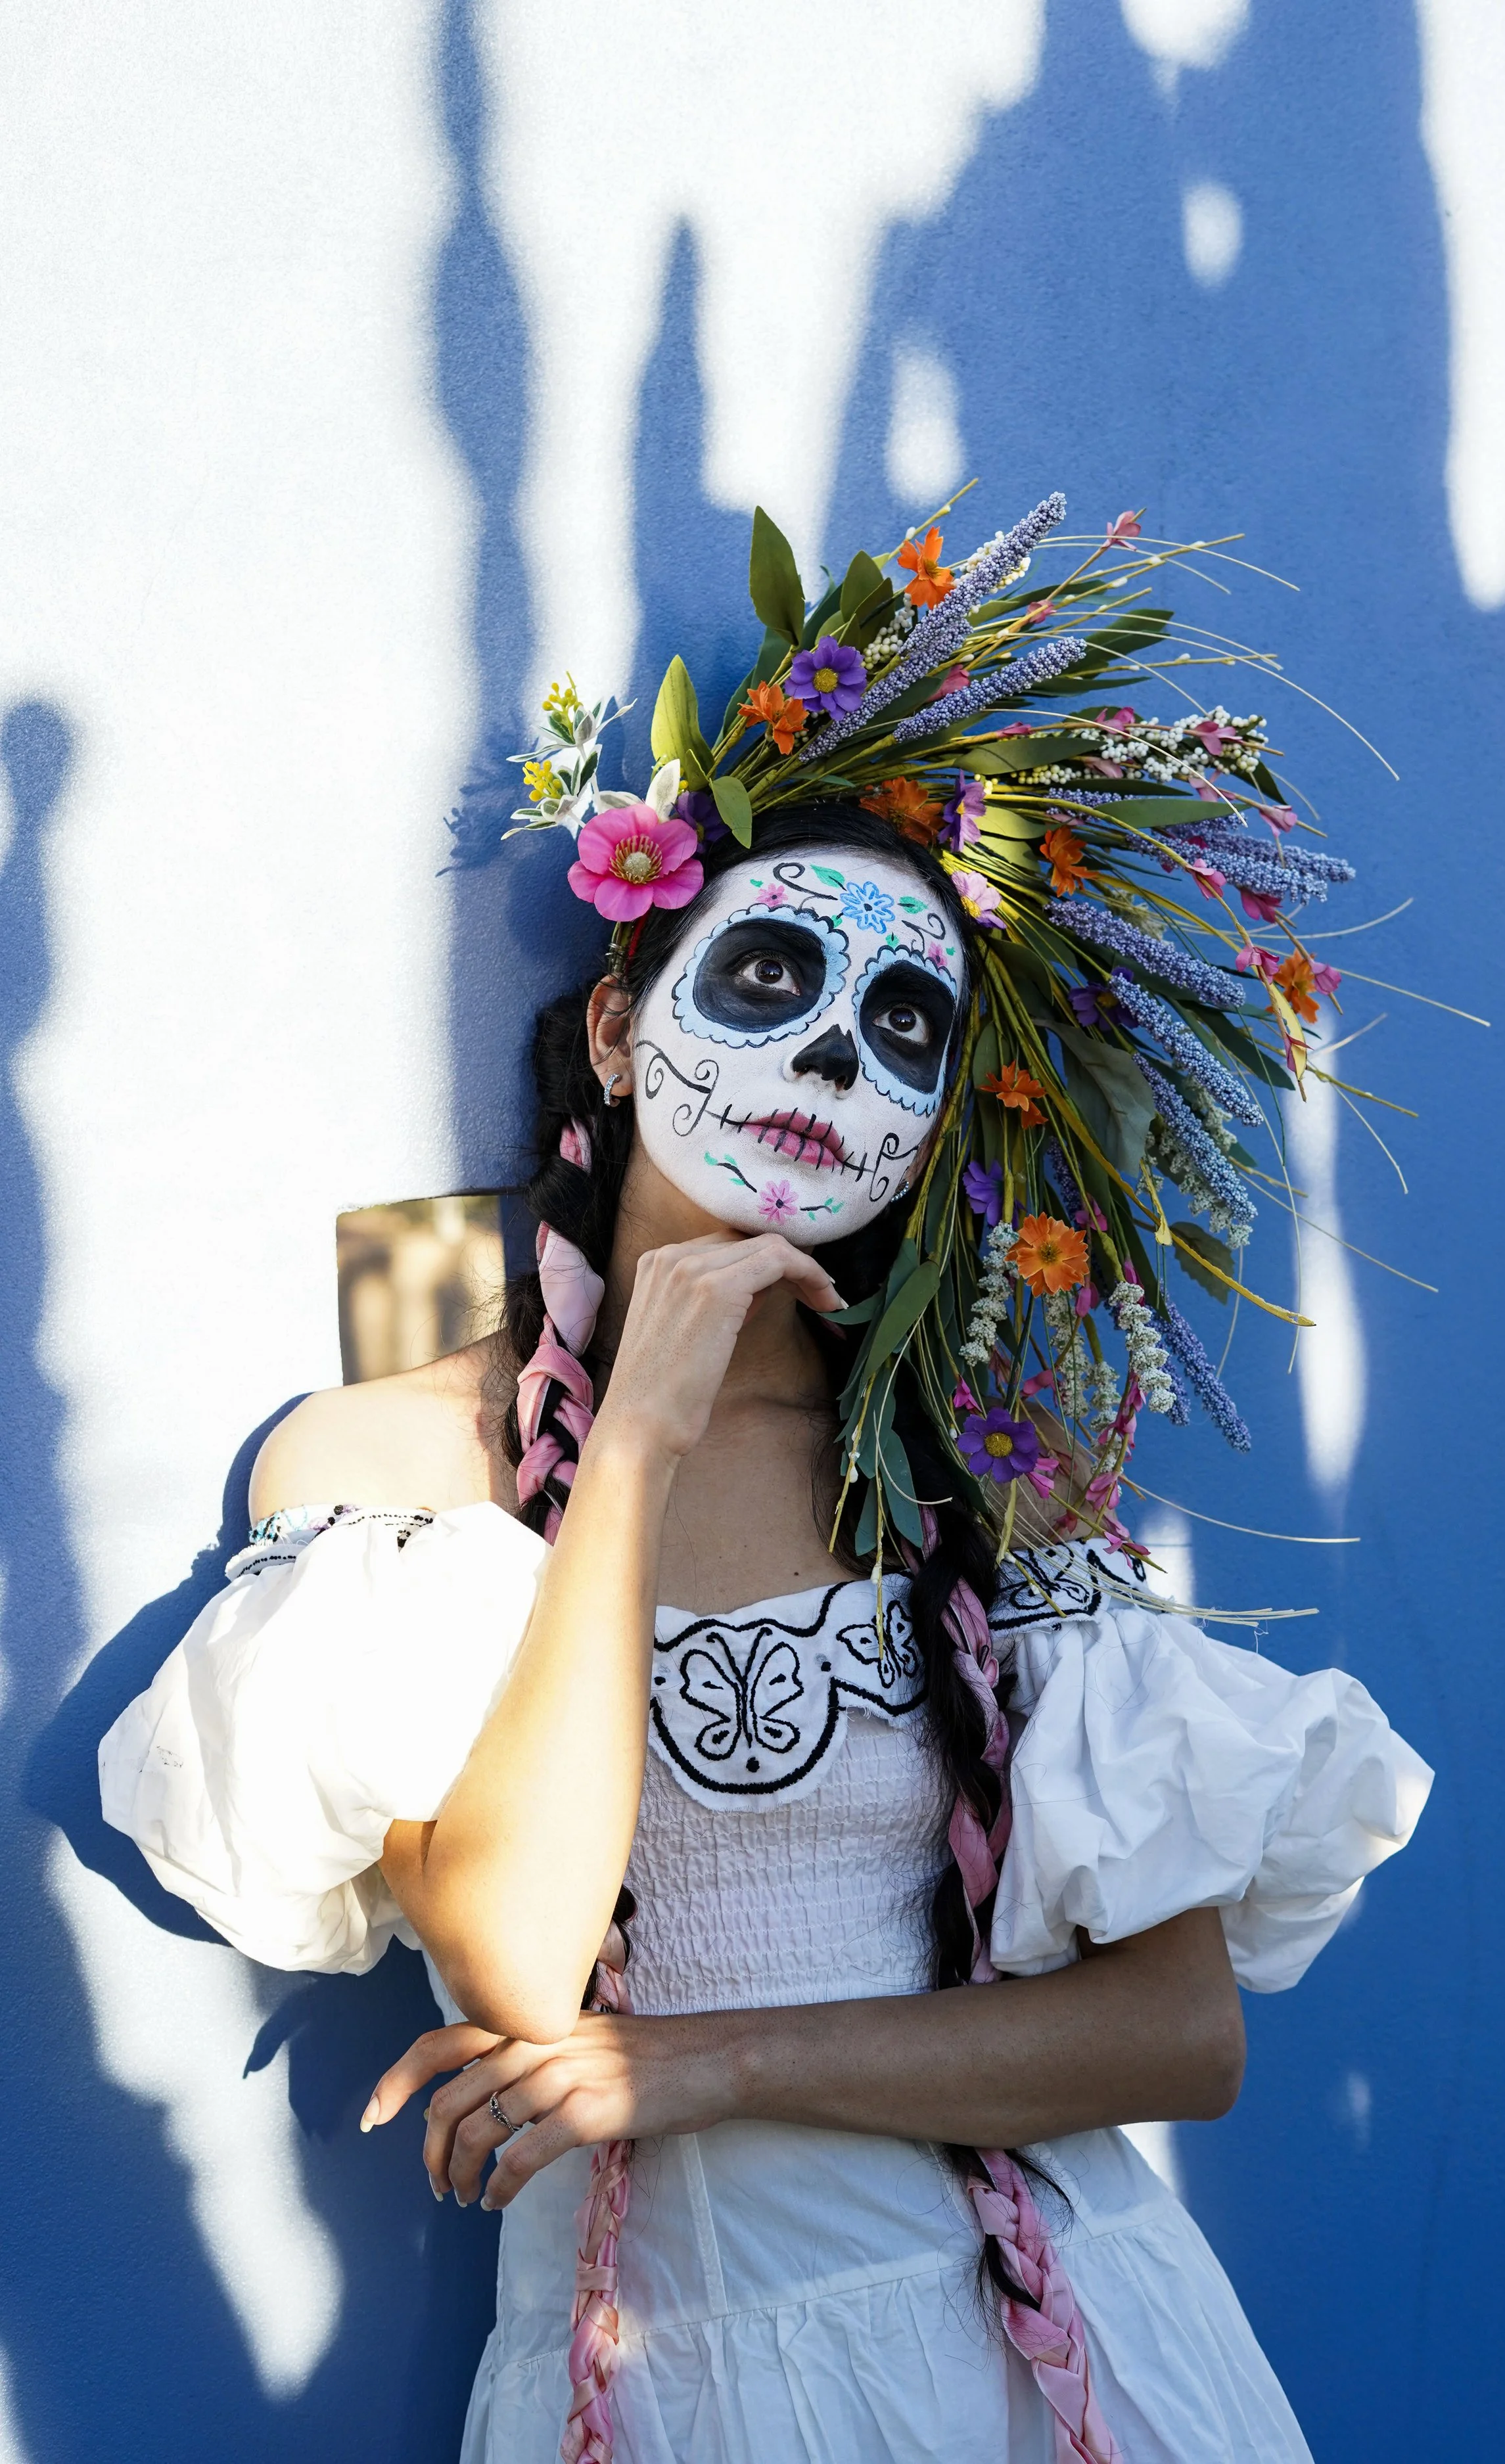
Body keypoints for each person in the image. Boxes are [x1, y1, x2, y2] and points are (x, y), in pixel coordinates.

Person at [102, 500, 1432, 2464]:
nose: (828, 1053)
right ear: (623, 1031)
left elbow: (1174, 2033)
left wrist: (696, 2065)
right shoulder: (385, 1462)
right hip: (666, 2382)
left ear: (924, 1131)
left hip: (1066, 2354)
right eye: (771, 979)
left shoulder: (971, 1472)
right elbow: (510, 1957)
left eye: (900, 1029)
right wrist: (629, 1433)